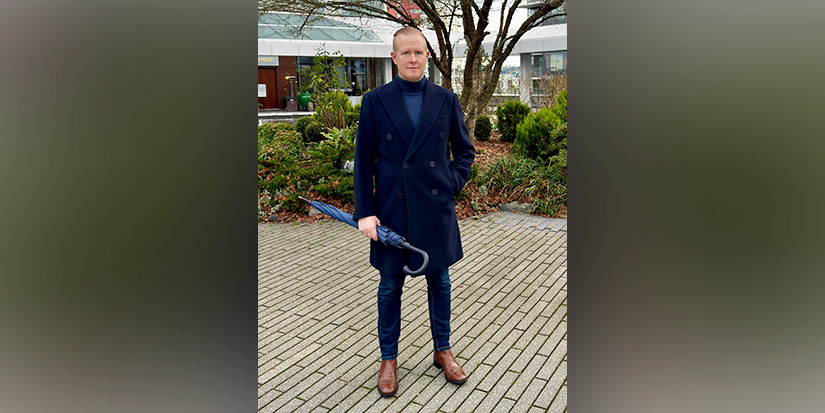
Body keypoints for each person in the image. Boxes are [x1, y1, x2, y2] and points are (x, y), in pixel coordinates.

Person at [352, 26, 476, 397]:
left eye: (418, 52)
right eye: (405, 53)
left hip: (435, 209)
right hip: (392, 211)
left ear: (427, 56)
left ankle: (443, 350)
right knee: (390, 287)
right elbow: (363, 162)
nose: (412, 58)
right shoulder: (375, 101)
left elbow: (464, 152)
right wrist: (365, 212)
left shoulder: (445, 99)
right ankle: (388, 359)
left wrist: (450, 183)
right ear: (393, 57)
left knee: (440, 283)